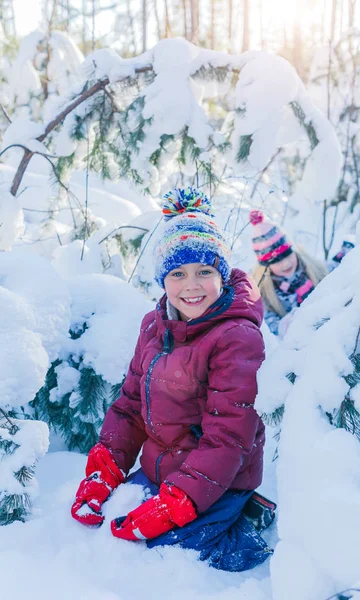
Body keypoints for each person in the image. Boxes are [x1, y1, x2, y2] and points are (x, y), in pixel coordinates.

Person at [71, 187, 273, 572]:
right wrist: (105, 469)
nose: (191, 285)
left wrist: (179, 500)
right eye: (177, 273)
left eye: (204, 272)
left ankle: (246, 524)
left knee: (168, 553)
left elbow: (229, 437)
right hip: (162, 467)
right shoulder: (154, 324)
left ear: (222, 275)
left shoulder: (236, 338)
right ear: (163, 280)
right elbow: (130, 406)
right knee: (111, 527)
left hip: (220, 477)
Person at [249, 209, 340, 337]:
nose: (285, 263)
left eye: (287, 254)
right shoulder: (266, 295)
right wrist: (288, 324)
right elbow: (270, 328)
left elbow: (336, 271)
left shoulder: (312, 268)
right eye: (276, 260)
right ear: (266, 266)